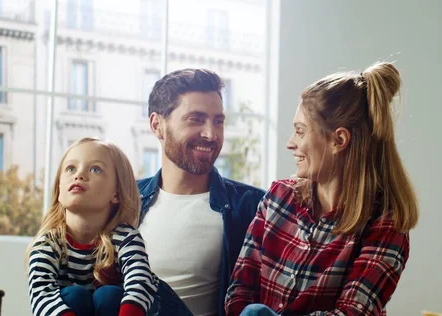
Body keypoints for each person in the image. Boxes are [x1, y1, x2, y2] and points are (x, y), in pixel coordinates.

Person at [225, 62, 419, 315]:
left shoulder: (385, 225)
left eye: (300, 132)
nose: (290, 144)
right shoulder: (278, 198)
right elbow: (240, 289)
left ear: (338, 140)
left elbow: (353, 312)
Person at [137, 68, 266, 316]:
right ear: (157, 125)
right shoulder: (125, 199)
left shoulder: (253, 207)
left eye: (218, 121)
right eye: (195, 119)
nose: (211, 134)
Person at [26, 137, 158, 316]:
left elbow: (140, 281)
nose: (79, 175)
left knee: (108, 295)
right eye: (71, 168)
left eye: (95, 169)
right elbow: (41, 293)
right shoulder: (48, 243)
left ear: (116, 193)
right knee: (74, 296)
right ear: (59, 190)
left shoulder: (125, 237)